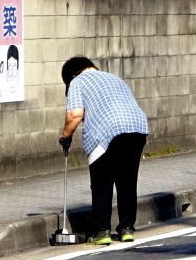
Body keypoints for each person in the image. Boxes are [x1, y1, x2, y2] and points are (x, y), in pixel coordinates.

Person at [59, 56, 149, 245]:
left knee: (102, 182)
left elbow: (75, 114)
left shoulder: (77, 81)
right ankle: (126, 228)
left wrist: (65, 136)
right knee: (127, 181)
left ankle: (102, 231)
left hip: (107, 130)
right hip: (137, 127)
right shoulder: (114, 78)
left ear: (71, 75)